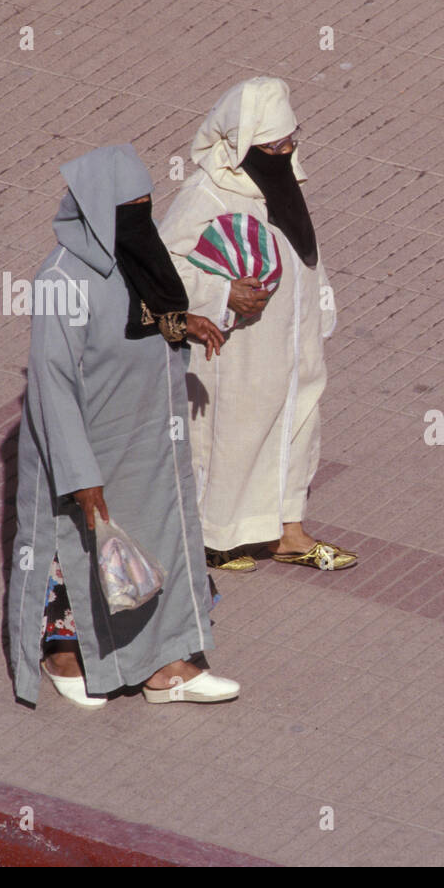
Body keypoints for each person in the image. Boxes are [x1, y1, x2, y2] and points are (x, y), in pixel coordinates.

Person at [7, 143, 240, 709]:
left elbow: (143, 319)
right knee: (78, 549)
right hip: (91, 445)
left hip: (147, 439)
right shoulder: (61, 279)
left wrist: (183, 324)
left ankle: (167, 665)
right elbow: (52, 386)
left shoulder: (133, 257)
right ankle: (66, 651)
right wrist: (79, 472)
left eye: (147, 204)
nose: (142, 217)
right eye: (129, 208)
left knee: (155, 541)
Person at [160, 76, 356, 573]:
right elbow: (162, 269)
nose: (285, 152)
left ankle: (288, 530)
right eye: (273, 145)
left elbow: (303, 249)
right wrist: (223, 294)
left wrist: (321, 310)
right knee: (235, 434)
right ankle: (217, 535)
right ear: (244, 145)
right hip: (237, 346)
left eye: (291, 141)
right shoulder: (207, 193)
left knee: (298, 424)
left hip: (295, 340)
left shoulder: (283, 179)